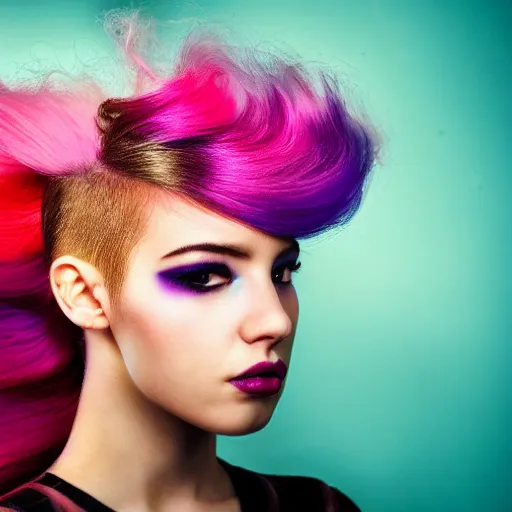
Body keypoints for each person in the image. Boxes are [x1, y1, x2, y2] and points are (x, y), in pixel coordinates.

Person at [0, 9, 379, 512]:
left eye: (282, 272)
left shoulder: (320, 507)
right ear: (85, 295)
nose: (272, 321)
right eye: (204, 275)